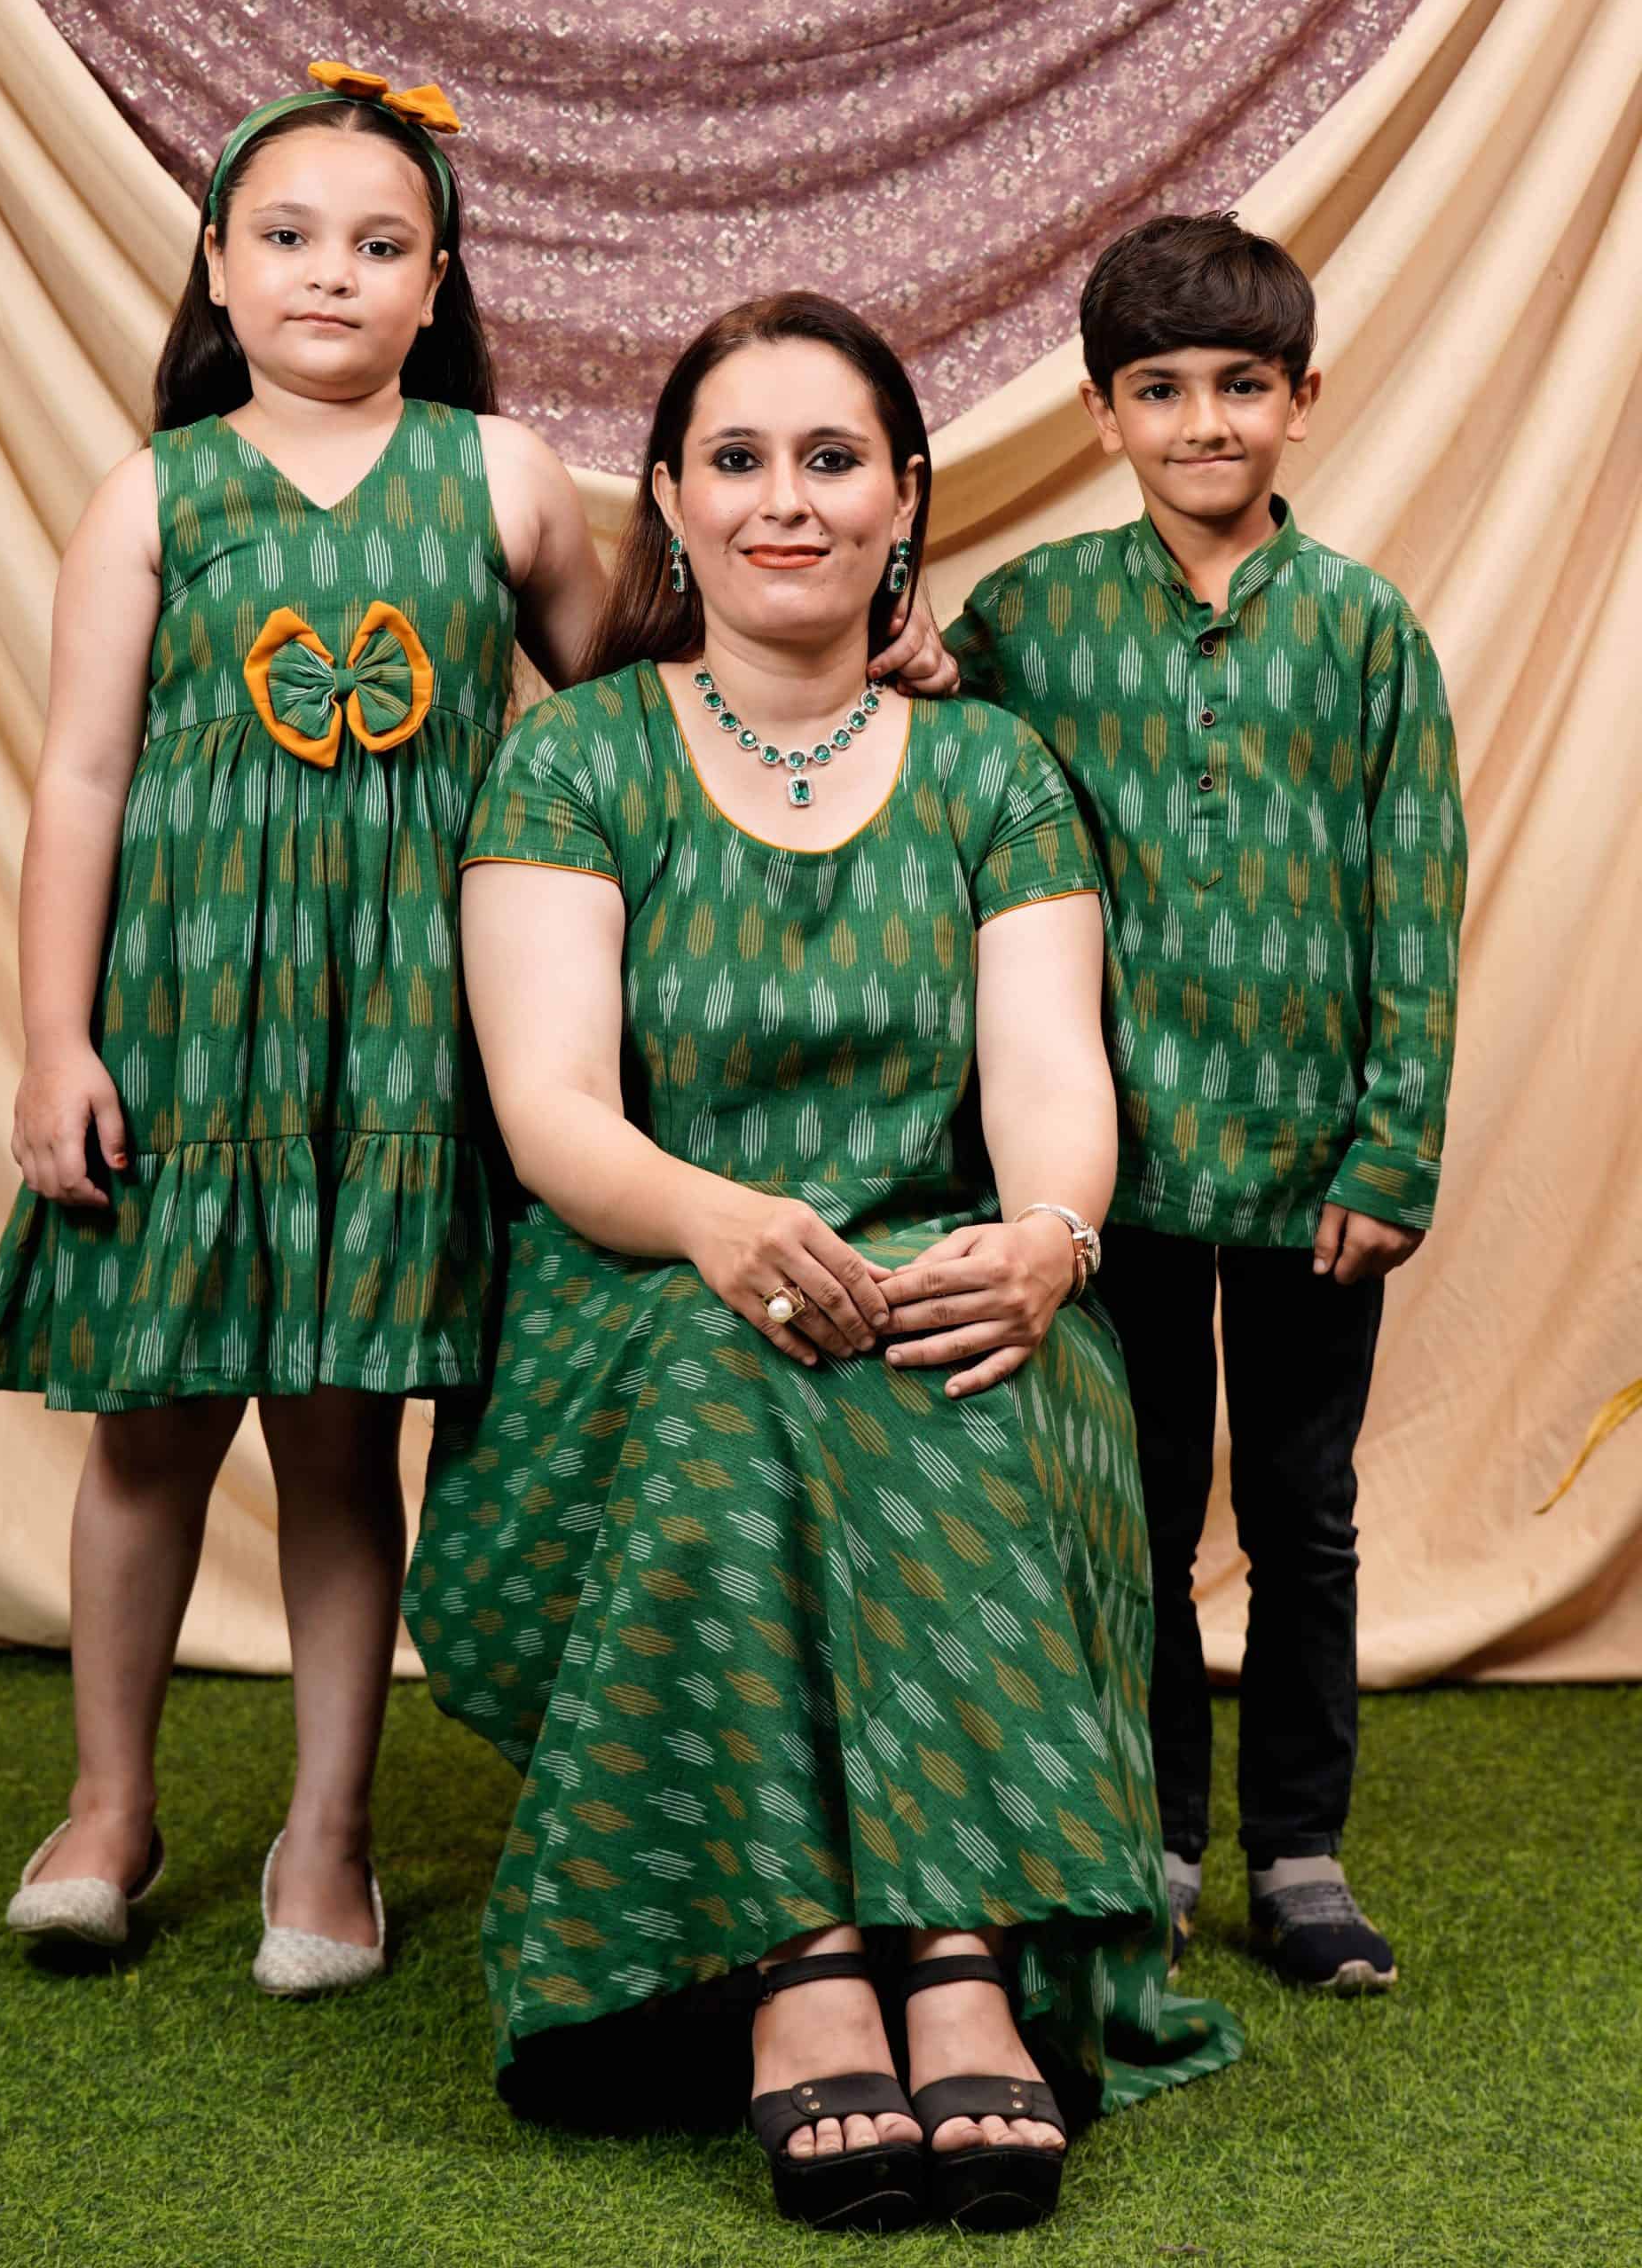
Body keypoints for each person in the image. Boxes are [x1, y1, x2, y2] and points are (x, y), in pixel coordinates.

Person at [404, 292, 1240, 2235]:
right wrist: (717, 1220)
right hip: (642, 1269)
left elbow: (1051, 1077)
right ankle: (800, 1960)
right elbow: (552, 1109)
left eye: (833, 458)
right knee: (733, 1379)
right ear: (669, 502)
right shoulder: (574, 761)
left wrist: (1045, 1240)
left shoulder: (993, 773)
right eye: (739, 459)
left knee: (975, 1368)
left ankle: (956, 1949)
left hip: (929, 1253)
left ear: (905, 498)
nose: (787, 500)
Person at [0, 60, 616, 1991]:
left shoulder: (500, 477)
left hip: (403, 1036)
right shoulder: (151, 493)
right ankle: (109, 1804)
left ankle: (328, 1833)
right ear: (216, 264)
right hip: (187, 1031)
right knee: (148, 1435)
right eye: (289, 236)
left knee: (342, 1442)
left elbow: (625, 722)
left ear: (438, 282)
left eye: (380, 245)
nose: (331, 273)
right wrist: (55, 1040)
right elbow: (81, 778)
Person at [946, 213, 1467, 1995]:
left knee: (1304, 1514)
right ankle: (1154, 1839)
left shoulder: (1364, 630)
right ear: (1102, 414)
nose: (1202, 424)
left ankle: (1300, 1852)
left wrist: (1392, 1144)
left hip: (1317, 1169)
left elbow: (1416, 899)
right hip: (1119, 1168)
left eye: (1241, 387)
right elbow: (945, 788)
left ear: (1302, 399)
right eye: (1159, 391)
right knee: (1143, 1513)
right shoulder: (1031, 617)